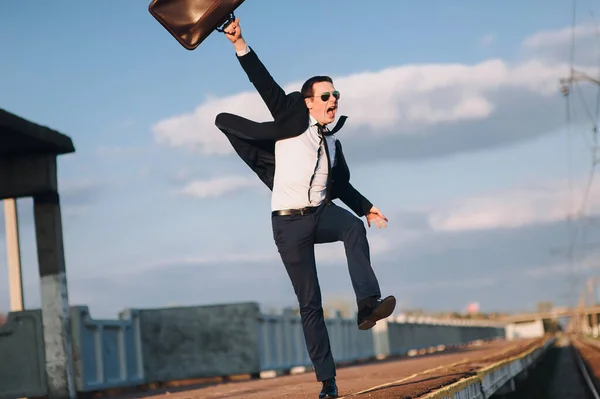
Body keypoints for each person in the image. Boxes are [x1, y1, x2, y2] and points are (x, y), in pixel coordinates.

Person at [216, 19, 396, 398]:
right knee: (310, 303)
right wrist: (239, 42)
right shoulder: (290, 118)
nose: (333, 102)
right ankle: (327, 383)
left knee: (351, 228)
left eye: (336, 96)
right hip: (288, 224)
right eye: (326, 96)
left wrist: (367, 208)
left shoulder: (334, 146)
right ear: (309, 101)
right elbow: (262, 80)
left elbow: (341, 185)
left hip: (319, 214)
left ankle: (368, 305)